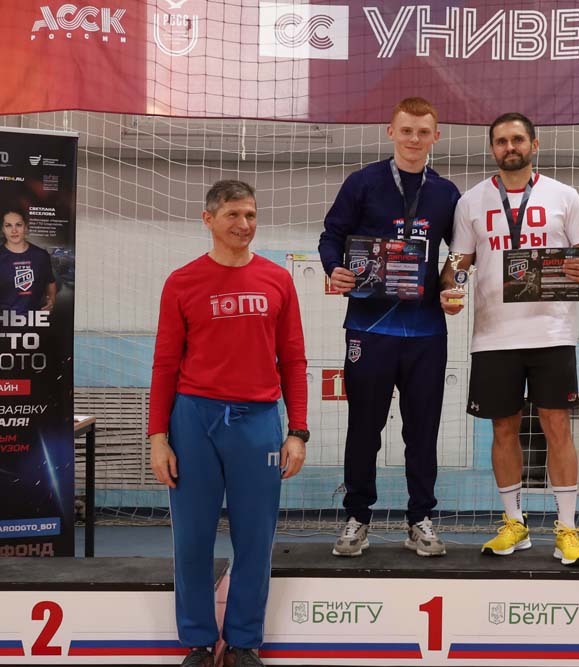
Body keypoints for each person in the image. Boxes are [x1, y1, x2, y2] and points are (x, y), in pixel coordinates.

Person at [148, 181, 308, 667]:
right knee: (192, 538)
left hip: (258, 420)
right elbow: (164, 364)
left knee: (255, 538)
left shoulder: (277, 280)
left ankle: (243, 642)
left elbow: (293, 359)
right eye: (233, 215)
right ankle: (199, 642)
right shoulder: (182, 282)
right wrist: (158, 437)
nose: (244, 224)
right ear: (209, 219)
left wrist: (297, 430)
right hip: (193, 420)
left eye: (251, 215)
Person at [442, 112, 579, 567]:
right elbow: (458, 263)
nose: (509, 147)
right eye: (501, 141)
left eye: (517, 139)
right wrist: (450, 289)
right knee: (503, 428)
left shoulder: (563, 195)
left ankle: (567, 530)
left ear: (534, 145)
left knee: (557, 425)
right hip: (493, 336)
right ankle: (514, 523)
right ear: (492, 148)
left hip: (552, 332)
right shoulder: (471, 201)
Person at [318, 97, 460, 557]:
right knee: (364, 426)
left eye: (423, 132)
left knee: (422, 430)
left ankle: (420, 519)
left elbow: (460, 254)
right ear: (391, 132)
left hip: (426, 332)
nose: (414, 139)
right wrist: (335, 268)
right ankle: (358, 517)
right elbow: (331, 236)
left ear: (436, 136)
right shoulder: (362, 182)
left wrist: (452, 287)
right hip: (369, 328)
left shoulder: (446, 193)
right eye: (406, 130)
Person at [0, 208, 56, 314]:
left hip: (35, 319)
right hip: (4, 320)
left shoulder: (41, 256)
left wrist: (51, 300)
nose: (14, 230)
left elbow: (50, 282)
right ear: (3, 229)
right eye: (8, 225)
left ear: (25, 227)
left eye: (18, 225)